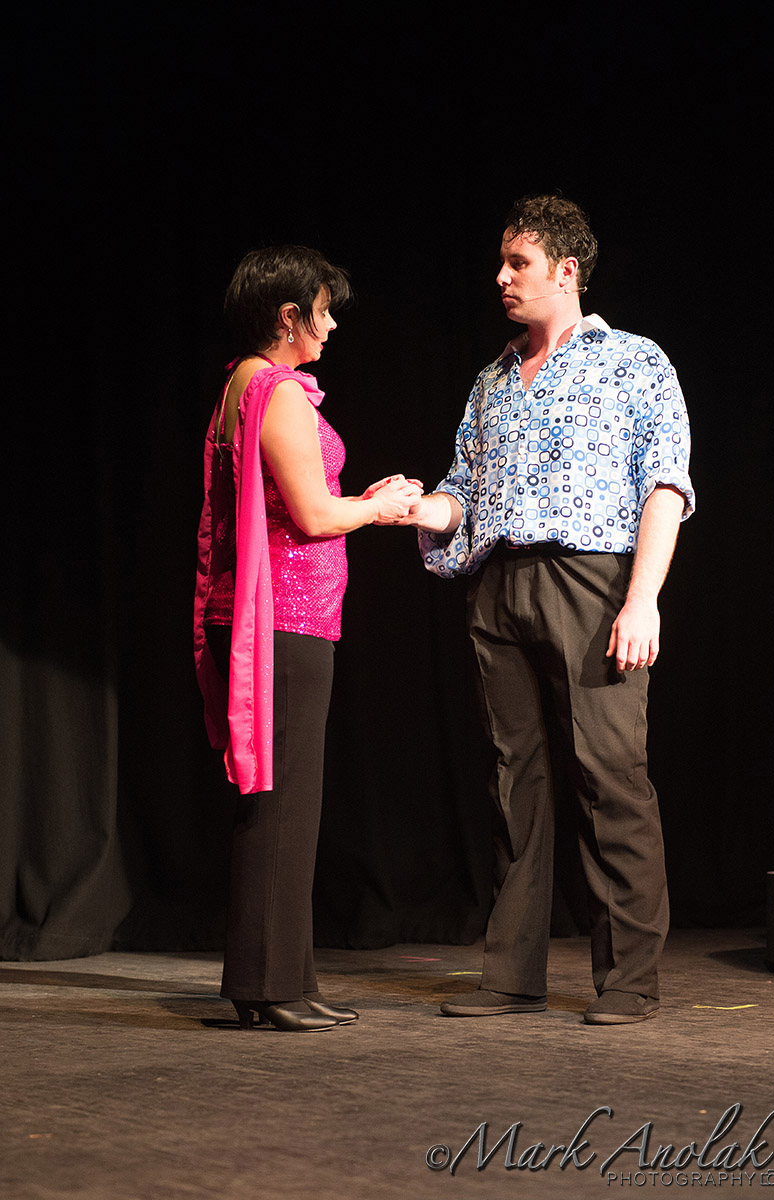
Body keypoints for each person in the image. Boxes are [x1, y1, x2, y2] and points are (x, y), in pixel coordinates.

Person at [401, 195, 694, 1025]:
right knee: (513, 781)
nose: (500, 277)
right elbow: (463, 489)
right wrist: (418, 507)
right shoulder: (491, 379)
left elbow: (664, 485)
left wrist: (642, 600)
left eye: (517, 263)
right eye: (501, 262)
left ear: (565, 271)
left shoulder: (632, 360)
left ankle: (629, 979)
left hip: (591, 582)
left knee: (609, 776)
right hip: (500, 583)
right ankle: (510, 974)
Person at [194, 245, 420, 1032]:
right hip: (282, 618)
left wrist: (362, 499)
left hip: (276, 615)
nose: (330, 327)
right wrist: (380, 508)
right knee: (282, 802)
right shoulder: (278, 391)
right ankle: (268, 985)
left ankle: (283, 978)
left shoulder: (243, 382)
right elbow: (315, 516)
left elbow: (299, 503)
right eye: (321, 312)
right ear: (287, 316)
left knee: (283, 799)